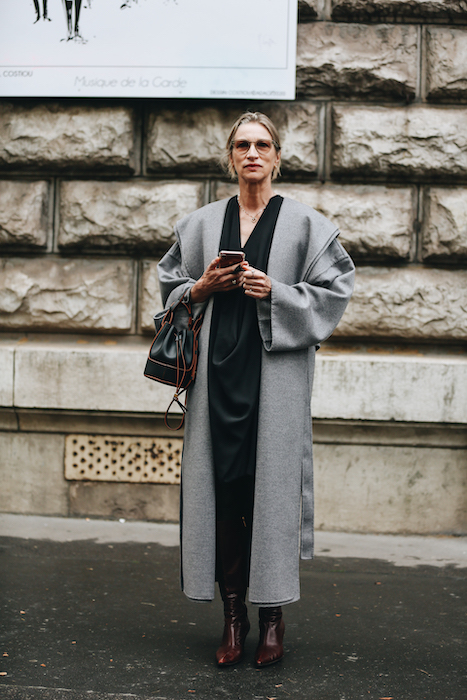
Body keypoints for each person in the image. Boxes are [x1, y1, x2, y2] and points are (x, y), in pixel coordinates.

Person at [157, 111, 355, 667]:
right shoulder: (199, 226)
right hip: (215, 382)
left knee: (272, 494)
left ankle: (271, 618)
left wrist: (278, 292)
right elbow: (169, 290)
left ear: (276, 157)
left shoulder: (307, 225)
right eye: (242, 145)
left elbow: (335, 293)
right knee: (224, 494)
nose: (252, 153)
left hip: (275, 380)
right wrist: (201, 287)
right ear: (230, 157)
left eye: (262, 145)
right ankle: (232, 617)